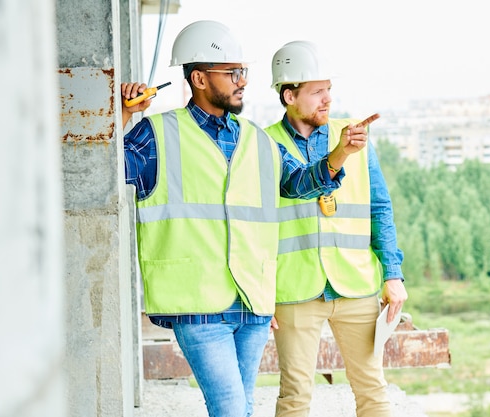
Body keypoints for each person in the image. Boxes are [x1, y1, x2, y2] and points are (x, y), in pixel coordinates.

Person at [119, 22, 371, 417]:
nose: (242, 82)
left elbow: (300, 183)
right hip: (196, 303)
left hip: (252, 304)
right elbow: (98, 172)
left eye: (244, 72)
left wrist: (340, 153)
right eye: (232, 73)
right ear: (199, 78)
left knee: (244, 408)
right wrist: (119, 117)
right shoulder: (156, 134)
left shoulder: (258, 139)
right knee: (232, 409)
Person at [264, 40, 408, 417]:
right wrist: (260, 291)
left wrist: (393, 275)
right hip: (295, 289)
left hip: (355, 284)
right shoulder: (265, 144)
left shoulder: (354, 134)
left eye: (329, 90)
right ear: (289, 95)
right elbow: (293, 187)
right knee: (294, 396)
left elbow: (380, 208)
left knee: (372, 389)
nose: (327, 99)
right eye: (316, 92)